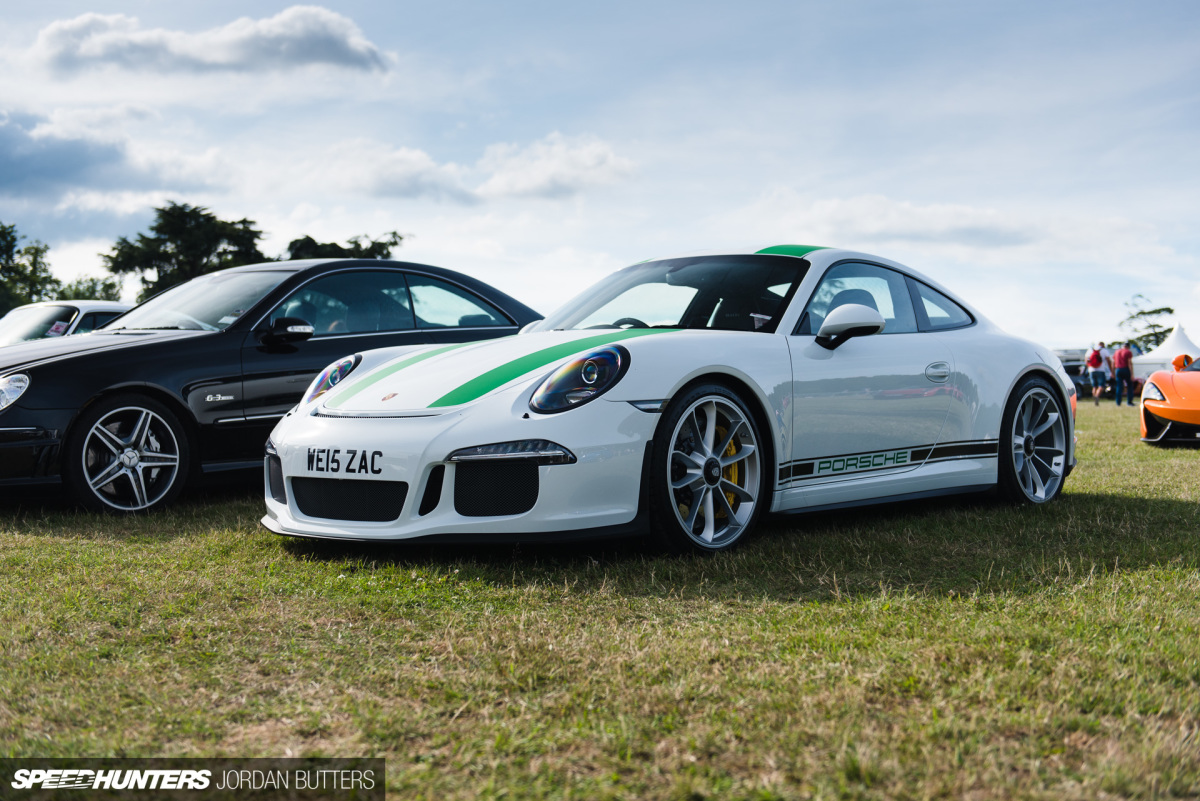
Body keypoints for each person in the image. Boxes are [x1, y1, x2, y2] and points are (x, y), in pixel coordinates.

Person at [1112, 341, 1134, 406]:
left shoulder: (1116, 352)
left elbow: (1113, 362)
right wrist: (1132, 374)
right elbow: (1129, 363)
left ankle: (1118, 402)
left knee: (1119, 386)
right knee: (1129, 385)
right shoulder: (1128, 352)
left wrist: (1112, 372)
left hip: (1118, 369)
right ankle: (1129, 402)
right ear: (1128, 347)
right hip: (1126, 369)